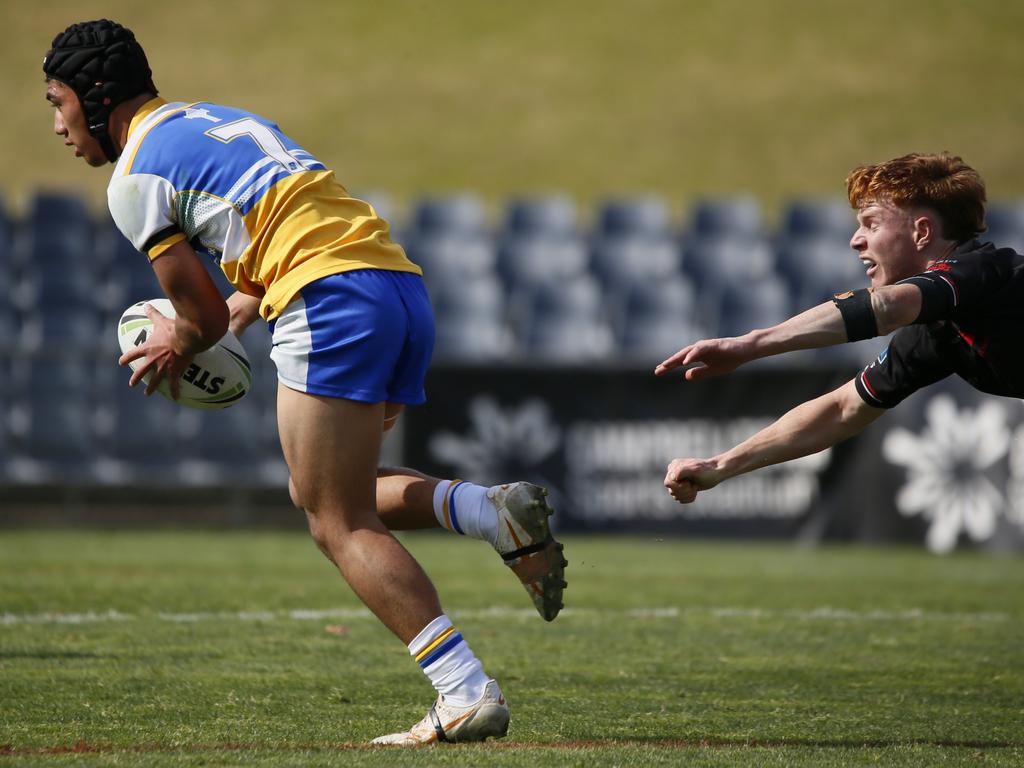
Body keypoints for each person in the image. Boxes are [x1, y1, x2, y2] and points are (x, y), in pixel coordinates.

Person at [43, 19, 567, 746]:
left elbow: (193, 314)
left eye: (57, 102)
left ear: (95, 97)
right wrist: (229, 312)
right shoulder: (222, 120)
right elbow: (280, 235)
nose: (58, 125)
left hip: (329, 299)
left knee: (336, 521)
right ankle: (486, 511)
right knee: (322, 491)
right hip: (396, 284)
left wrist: (176, 343)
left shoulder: (135, 177)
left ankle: (464, 692)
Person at [655, 152, 1018, 506]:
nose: (855, 239)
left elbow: (888, 307)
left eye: (872, 224)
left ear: (922, 231)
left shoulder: (981, 272)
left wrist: (751, 345)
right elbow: (842, 409)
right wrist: (719, 466)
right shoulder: (935, 332)